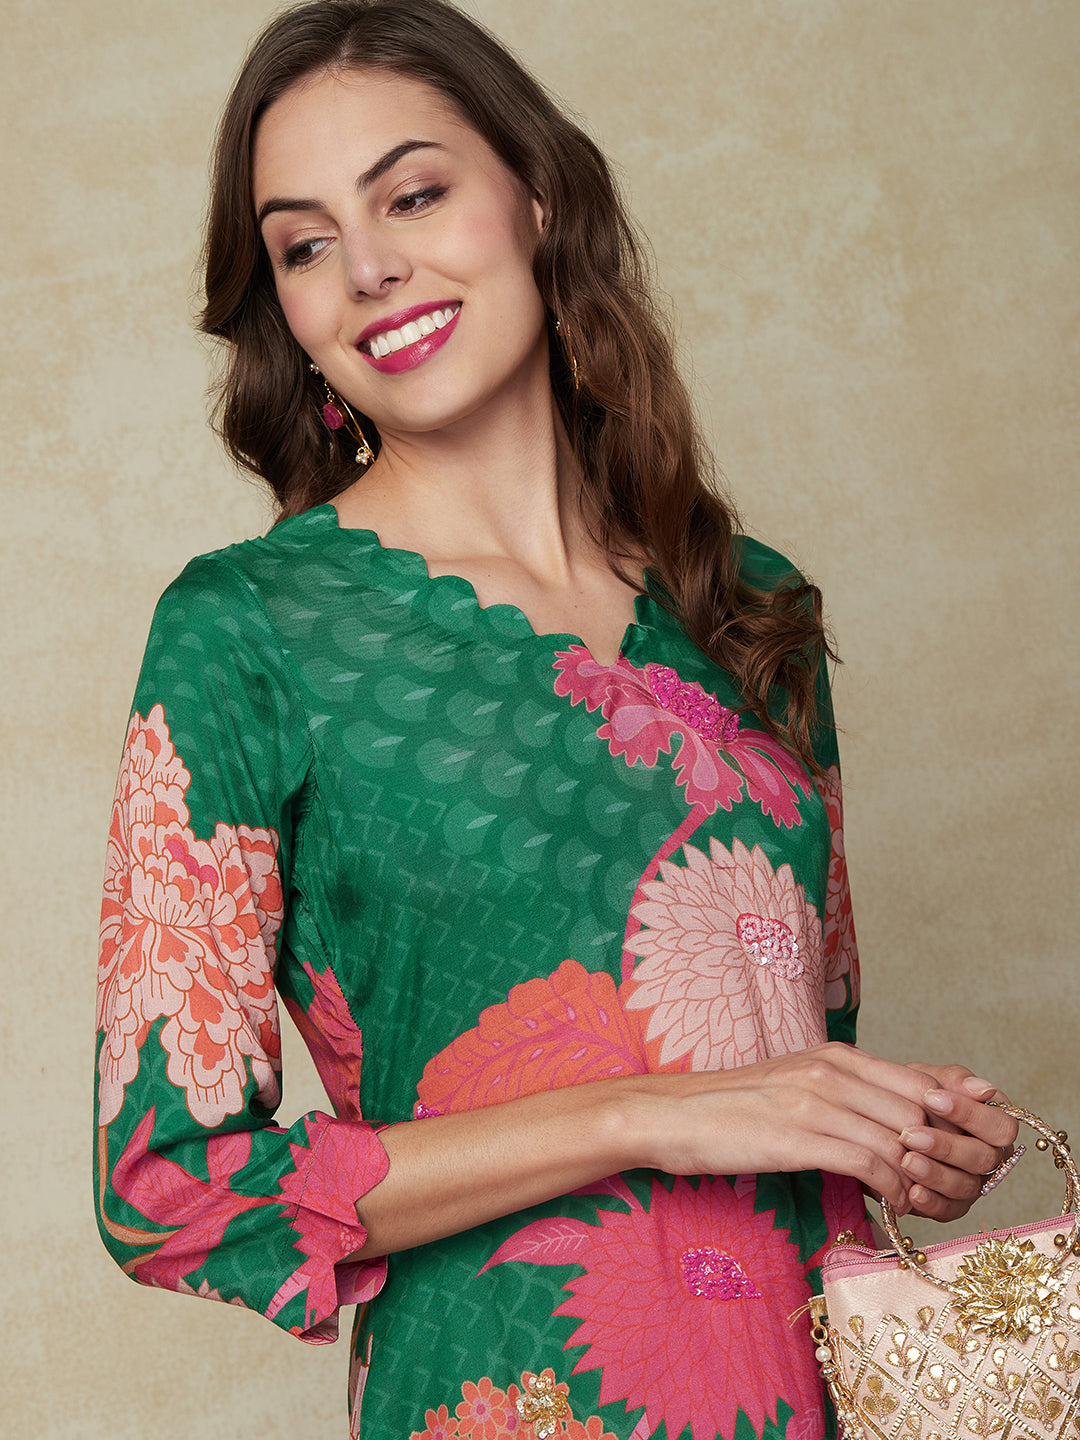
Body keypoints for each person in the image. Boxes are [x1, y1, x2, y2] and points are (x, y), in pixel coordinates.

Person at [94, 3, 1019, 1437]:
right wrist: (638, 1114)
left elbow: (802, 1060)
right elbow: (166, 1188)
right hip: (505, 1394)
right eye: (305, 245)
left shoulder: (747, 608)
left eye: (412, 194)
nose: (370, 266)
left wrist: (897, 1139)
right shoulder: (251, 631)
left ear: (535, 195)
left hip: (806, 1394)